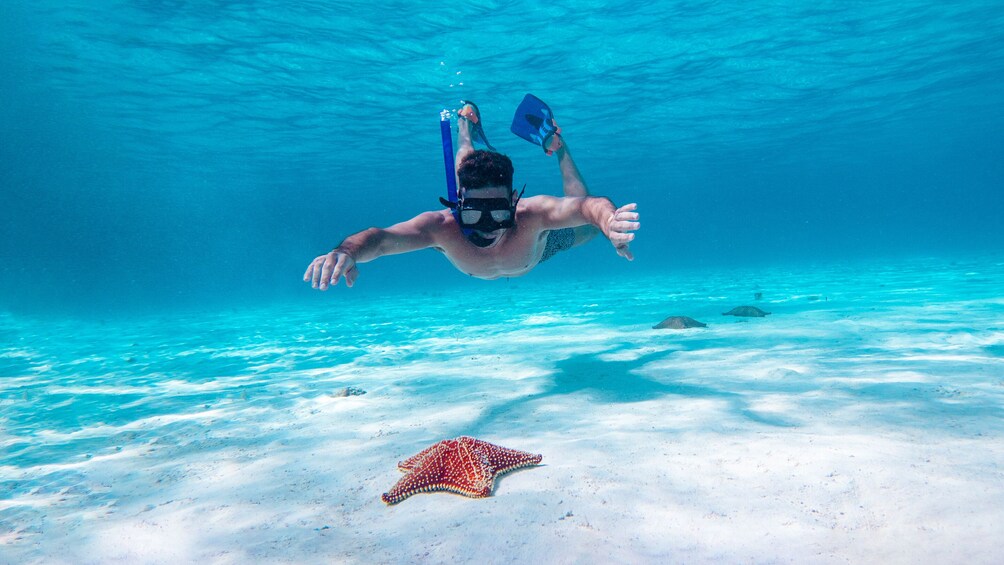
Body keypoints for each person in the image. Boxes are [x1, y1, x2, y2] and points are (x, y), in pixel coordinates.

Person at [304, 101, 640, 290]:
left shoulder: (531, 215)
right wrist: (345, 251)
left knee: (587, 230)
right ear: (458, 206)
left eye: (499, 214)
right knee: (466, 166)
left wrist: (608, 221)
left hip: (538, 246)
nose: (488, 227)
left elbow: (587, 207)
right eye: (472, 214)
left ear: (513, 202)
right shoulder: (442, 226)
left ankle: (557, 146)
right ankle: (464, 126)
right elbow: (378, 239)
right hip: (476, 221)